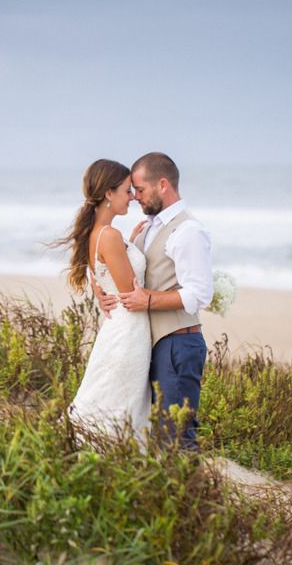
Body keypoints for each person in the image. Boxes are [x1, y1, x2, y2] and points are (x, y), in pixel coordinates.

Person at [96, 152, 213, 450]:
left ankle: (192, 483)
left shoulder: (188, 230)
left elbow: (199, 293)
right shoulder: (148, 228)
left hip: (178, 344)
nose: (135, 197)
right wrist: (103, 291)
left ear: (163, 185)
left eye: (140, 189)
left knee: (178, 437)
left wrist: (146, 300)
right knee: (156, 435)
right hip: (151, 345)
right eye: (132, 190)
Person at [55, 159, 152, 437]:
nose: (132, 197)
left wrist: (129, 245)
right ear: (109, 193)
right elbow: (130, 291)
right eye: (126, 190)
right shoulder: (109, 236)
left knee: (112, 398)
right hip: (129, 330)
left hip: (120, 326)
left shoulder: (98, 234)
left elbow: (108, 279)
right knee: (120, 403)